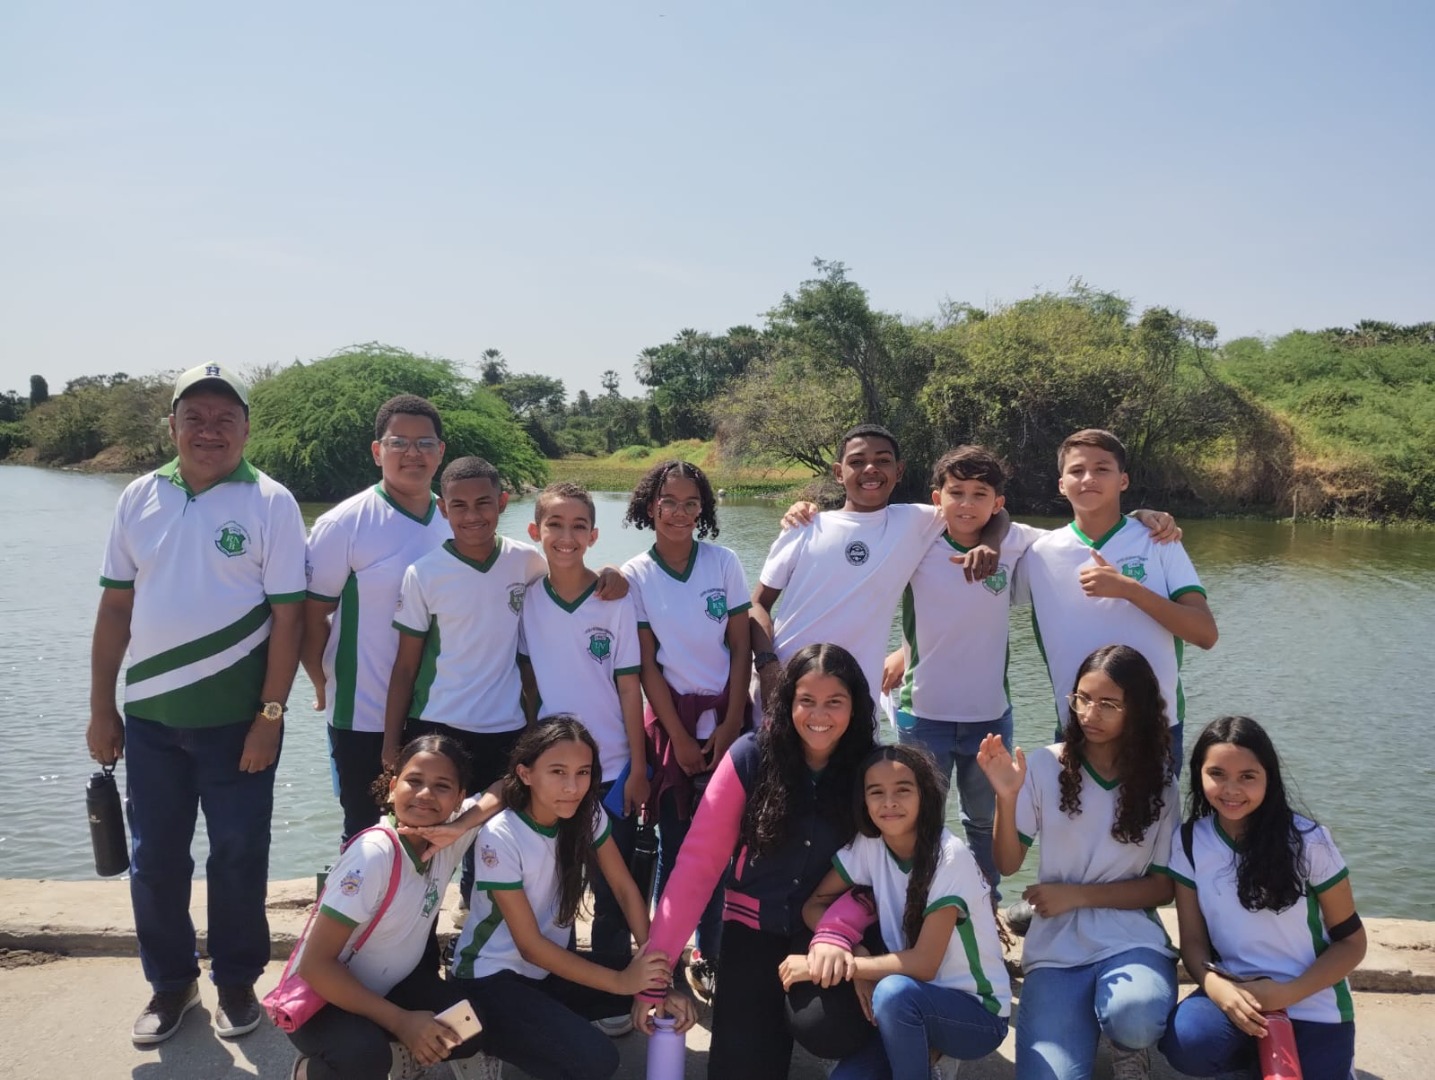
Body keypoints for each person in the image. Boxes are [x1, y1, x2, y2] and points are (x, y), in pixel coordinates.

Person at [87, 363, 307, 1045]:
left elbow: (289, 619)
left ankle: (237, 984)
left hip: (238, 725)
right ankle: (171, 985)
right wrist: (102, 708)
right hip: (151, 722)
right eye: (195, 418)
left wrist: (270, 716)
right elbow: (115, 607)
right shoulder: (139, 496)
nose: (209, 431)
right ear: (173, 424)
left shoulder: (270, 502)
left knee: (238, 856)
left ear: (246, 426)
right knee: (156, 859)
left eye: (224, 418)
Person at [633, 643, 878, 1080]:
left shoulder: (871, 769)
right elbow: (696, 867)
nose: (819, 714)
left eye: (834, 702)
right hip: (751, 931)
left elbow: (893, 868)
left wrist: (843, 934)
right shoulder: (750, 757)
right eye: (807, 701)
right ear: (787, 702)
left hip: (825, 935)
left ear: (856, 706)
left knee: (830, 1028)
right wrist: (655, 975)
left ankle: (899, 1050)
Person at [446, 718, 692, 1080]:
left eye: (583, 773)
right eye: (557, 772)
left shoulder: (586, 814)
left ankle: (526, 1030)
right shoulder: (501, 834)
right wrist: (626, 982)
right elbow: (530, 946)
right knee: (595, 1061)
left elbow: (624, 889)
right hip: (488, 979)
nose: (572, 787)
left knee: (645, 988)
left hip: (545, 974)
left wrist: (657, 978)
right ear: (525, 774)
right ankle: (478, 1039)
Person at [978, 644, 1181, 1080]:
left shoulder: (1160, 781)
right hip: (1056, 947)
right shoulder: (1045, 765)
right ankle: (1086, 1019)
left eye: (1109, 704)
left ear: (1138, 711)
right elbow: (1008, 863)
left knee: (1136, 1017)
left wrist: (1077, 896)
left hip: (1129, 937)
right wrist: (1006, 797)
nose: (1090, 713)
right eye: (1083, 699)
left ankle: (1127, 1045)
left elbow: (1163, 887)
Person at [782, 744, 1012, 1080]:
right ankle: (922, 1051)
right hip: (908, 1005)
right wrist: (851, 948)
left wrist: (847, 966)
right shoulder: (870, 844)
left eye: (902, 790)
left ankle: (932, 1060)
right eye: (876, 792)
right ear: (864, 801)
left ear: (925, 795)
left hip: (975, 1014)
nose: (889, 802)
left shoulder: (950, 856)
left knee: (892, 992)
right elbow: (815, 904)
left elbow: (924, 963)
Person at [750, 424, 1008, 720]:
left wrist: (991, 543)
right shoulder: (804, 526)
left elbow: (996, 511)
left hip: (858, 697)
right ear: (838, 472)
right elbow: (757, 604)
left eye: (882, 461)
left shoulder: (916, 521)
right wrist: (768, 667)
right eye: (857, 462)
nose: (870, 469)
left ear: (898, 471)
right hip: (785, 686)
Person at [1158, 716, 1364, 1080]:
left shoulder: (1308, 841)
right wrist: (1216, 988)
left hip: (1312, 998)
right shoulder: (1189, 842)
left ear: (1269, 777)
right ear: (1198, 775)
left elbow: (1351, 942)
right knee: (1187, 1042)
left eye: (1247, 776)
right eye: (1217, 774)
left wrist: (1287, 994)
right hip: (1236, 996)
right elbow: (1192, 941)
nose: (1231, 789)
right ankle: (1249, 1058)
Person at [384, 455, 546, 913]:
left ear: (504, 502)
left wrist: (610, 576)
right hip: (438, 727)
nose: (472, 515)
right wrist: (391, 742)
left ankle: (475, 942)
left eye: (483, 503)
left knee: (490, 840)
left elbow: (564, 600)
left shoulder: (526, 562)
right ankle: (411, 944)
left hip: (505, 728)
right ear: (442, 509)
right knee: (425, 844)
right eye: (460, 505)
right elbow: (404, 667)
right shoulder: (424, 573)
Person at [286, 735, 499, 1080]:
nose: (426, 794)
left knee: (469, 1022)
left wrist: (463, 823)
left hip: (390, 984)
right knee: (363, 1058)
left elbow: (506, 787)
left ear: (459, 799)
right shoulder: (374, 855)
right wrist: (402, 1021)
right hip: (326, 996)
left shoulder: (448, 836)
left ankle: (403, 1055)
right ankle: (312, 1072)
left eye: (442, 786)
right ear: (392, 787)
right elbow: (315, 966)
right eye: (414, 781)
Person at [621, 459, 752, 996]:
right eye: (668, 502)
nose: (679, 513)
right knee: (675, 845)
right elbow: (647, 663)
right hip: (671, 722)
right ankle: (664, 954)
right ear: (650, 506)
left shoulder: (723, 563)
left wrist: (734, 722)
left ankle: (712, 951)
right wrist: (676, 735)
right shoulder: (635, 575)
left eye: (690, 503)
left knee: (725, 842)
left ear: (704, 510)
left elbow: (741, 644)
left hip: (726, 715)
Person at [1017, 429, 1218, 769]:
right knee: (1073, 822)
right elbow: (978, 597)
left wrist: (1129, 590)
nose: (1089, 478)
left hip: (1154, 728)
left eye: (1102, 469)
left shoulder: (1159, 540)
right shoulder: (1037, 552)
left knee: (1151, 822)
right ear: (1061, 484)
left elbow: (1205, 634)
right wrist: (907, 650)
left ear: (1123, 480)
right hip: (1078, 726)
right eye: (1077, 470)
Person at [303, 395, 450, 843]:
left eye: (425, 442)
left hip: (439, 711)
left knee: (432, 835)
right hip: (362, 713)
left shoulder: (455, 519)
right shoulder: (343, 524)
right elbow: (310, 617)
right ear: (376, 451)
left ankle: (421, 916)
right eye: (398, 442)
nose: (413, 453)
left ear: (441, 452)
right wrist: (322, 680)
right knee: (366, 835)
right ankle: (359, 915)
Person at [518, 482, 647, 988]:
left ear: (594, 535)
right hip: (553, 771)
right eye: (555, 525)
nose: (565, 536)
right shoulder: (528, 600)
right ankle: (566, 979)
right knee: (558, 880)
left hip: (613, 767)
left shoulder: (613, 599)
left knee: (615, 882)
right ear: (535, 531)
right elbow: (529, 685)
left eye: (577, 527)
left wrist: (639, 766)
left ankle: (618, 973)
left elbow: (630, 686)